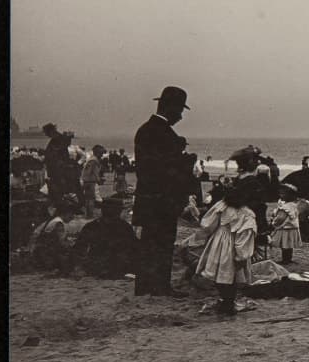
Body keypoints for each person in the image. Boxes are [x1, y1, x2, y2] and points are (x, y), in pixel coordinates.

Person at [131, 86, 197, 298]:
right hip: (162, 199)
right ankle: (160, 287)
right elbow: (166, 170)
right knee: (162, 243)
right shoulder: (165, 134)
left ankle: (145, 287)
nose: (180, 116)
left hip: (148, 198)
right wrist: (186, 161)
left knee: (149, 242)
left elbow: (147, 168)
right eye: (179, 111)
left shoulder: (145, 129)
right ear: (169, 108)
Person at [195, 179, 258, 316]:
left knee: (221, 274)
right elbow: (244, 237)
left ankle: (226, 300)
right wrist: (241, 255)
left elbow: (207, 224)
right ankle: (228, 301)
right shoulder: (247, 215)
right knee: (230, 276)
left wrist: (208, 235)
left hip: (219, 242)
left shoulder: (221, 206)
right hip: (231, 245)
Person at [75, 196, 138, 278]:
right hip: (120, 265)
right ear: (118, 211)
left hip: (97, 265)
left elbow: (79, 247)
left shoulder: (91, 226)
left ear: (102, 210)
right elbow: (135, 247)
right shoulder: (124, 226)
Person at [28, 195, 79, 274]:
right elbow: (61, 243)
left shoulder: (53, 220)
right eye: (71, 214)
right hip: (46, 255)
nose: (73, 217)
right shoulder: (58, 223)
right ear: (65, 213)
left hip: (41, 252)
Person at [270, 184, 302, 264]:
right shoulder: (294, 205)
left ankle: (285, 259)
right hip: (293, 227)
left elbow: (280, 218)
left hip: (285, 228)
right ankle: (289, 258)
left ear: (289, 195)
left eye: (283, 193)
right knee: (289, 245)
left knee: (284, 245)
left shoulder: (285, 207)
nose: (280, 195)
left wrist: (274, 223)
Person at [80, 145, 105, 218]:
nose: (102, 155)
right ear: (98, 153)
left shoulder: (91, 159)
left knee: (88, 199)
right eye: (101, 153)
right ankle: (90, 215)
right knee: (91, 199)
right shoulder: (94, 161)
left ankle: (88, 214)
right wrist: (98, 180)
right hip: (90, 182)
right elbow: (94, 172)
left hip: (86, 181)